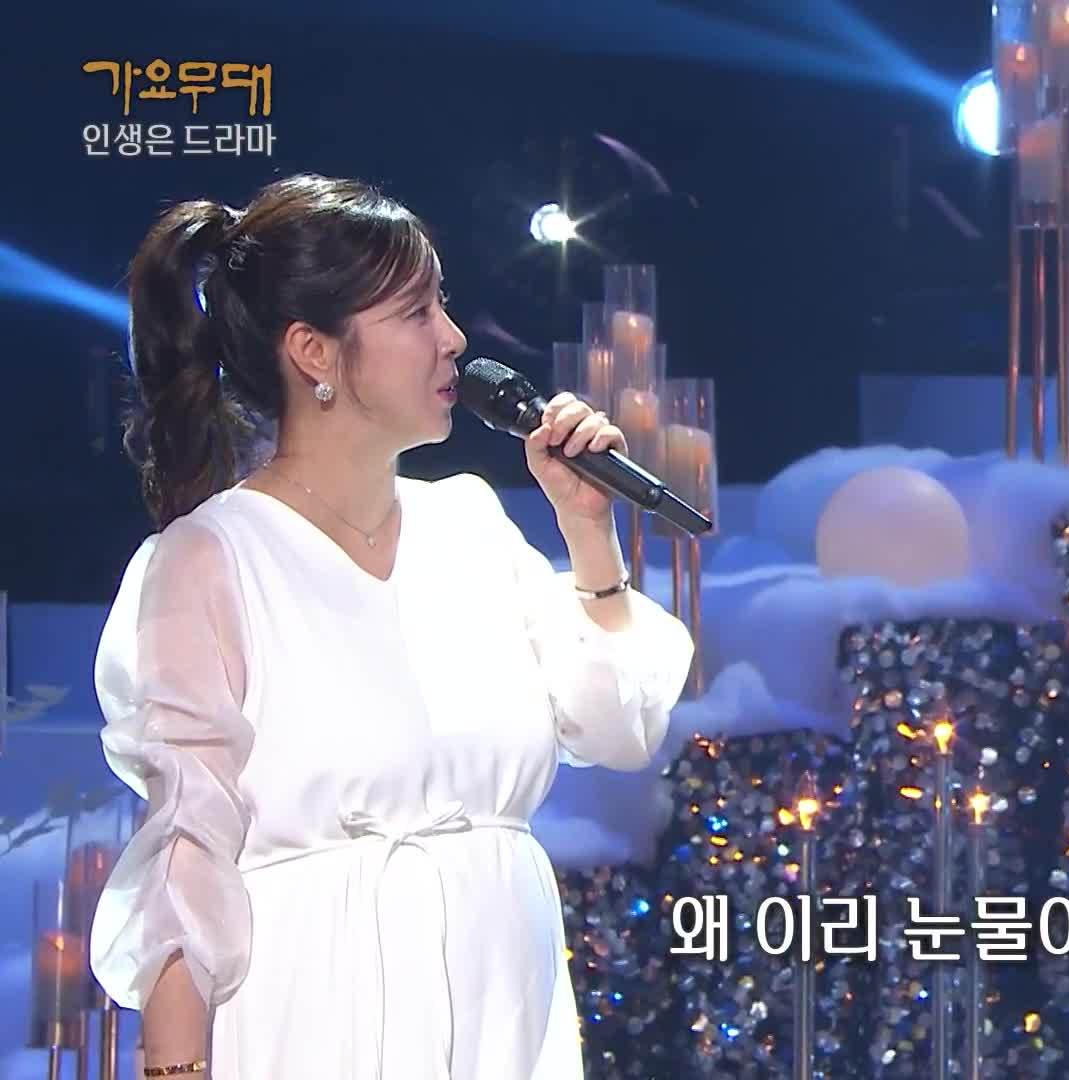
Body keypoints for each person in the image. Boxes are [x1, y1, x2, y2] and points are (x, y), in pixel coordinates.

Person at [89, 173, 694, 1078]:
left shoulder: (469, 525)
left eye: (440, 304)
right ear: (314, 352)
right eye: (415, 312)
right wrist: (174, 1068)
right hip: (311, 1012)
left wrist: (587, 531)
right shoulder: (209, 558)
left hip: (501, 1009)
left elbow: (618, 730)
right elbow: (187, 845)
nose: (453, 338)